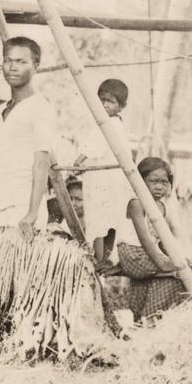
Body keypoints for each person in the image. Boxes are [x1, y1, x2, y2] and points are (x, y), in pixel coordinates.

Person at [0, 36, 57, 233]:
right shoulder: (0, 111)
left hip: (23, 211)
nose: (12, 67)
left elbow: (41, 163)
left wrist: (32, 213)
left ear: (35, 66)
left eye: (21, 62)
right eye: (8, 60)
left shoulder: (41, 108)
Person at [119, 156, 192, 322]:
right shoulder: (136, 203)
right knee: (177, 275)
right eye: (153, 181)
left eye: (164, 182)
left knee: (147, 286)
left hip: (149, 255)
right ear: (140, 181)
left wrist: (179, 258)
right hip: (134, 255)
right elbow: (145, 239)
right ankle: (150, 318)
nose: (159, 187)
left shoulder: (161, 206)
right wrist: (164, 263)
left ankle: (141, 319)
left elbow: (161, 241)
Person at [71, 78, 133, 268]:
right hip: (107, 178)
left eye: (110, 102)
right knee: (108, 217)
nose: (105, 105)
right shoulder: (111, 124)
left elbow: (94, 146)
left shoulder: (109, 124)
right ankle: (104, 256)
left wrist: (78, 162)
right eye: (102, 101)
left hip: (105, 180)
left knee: (99, 217)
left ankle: (100, 258)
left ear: (121, 106)